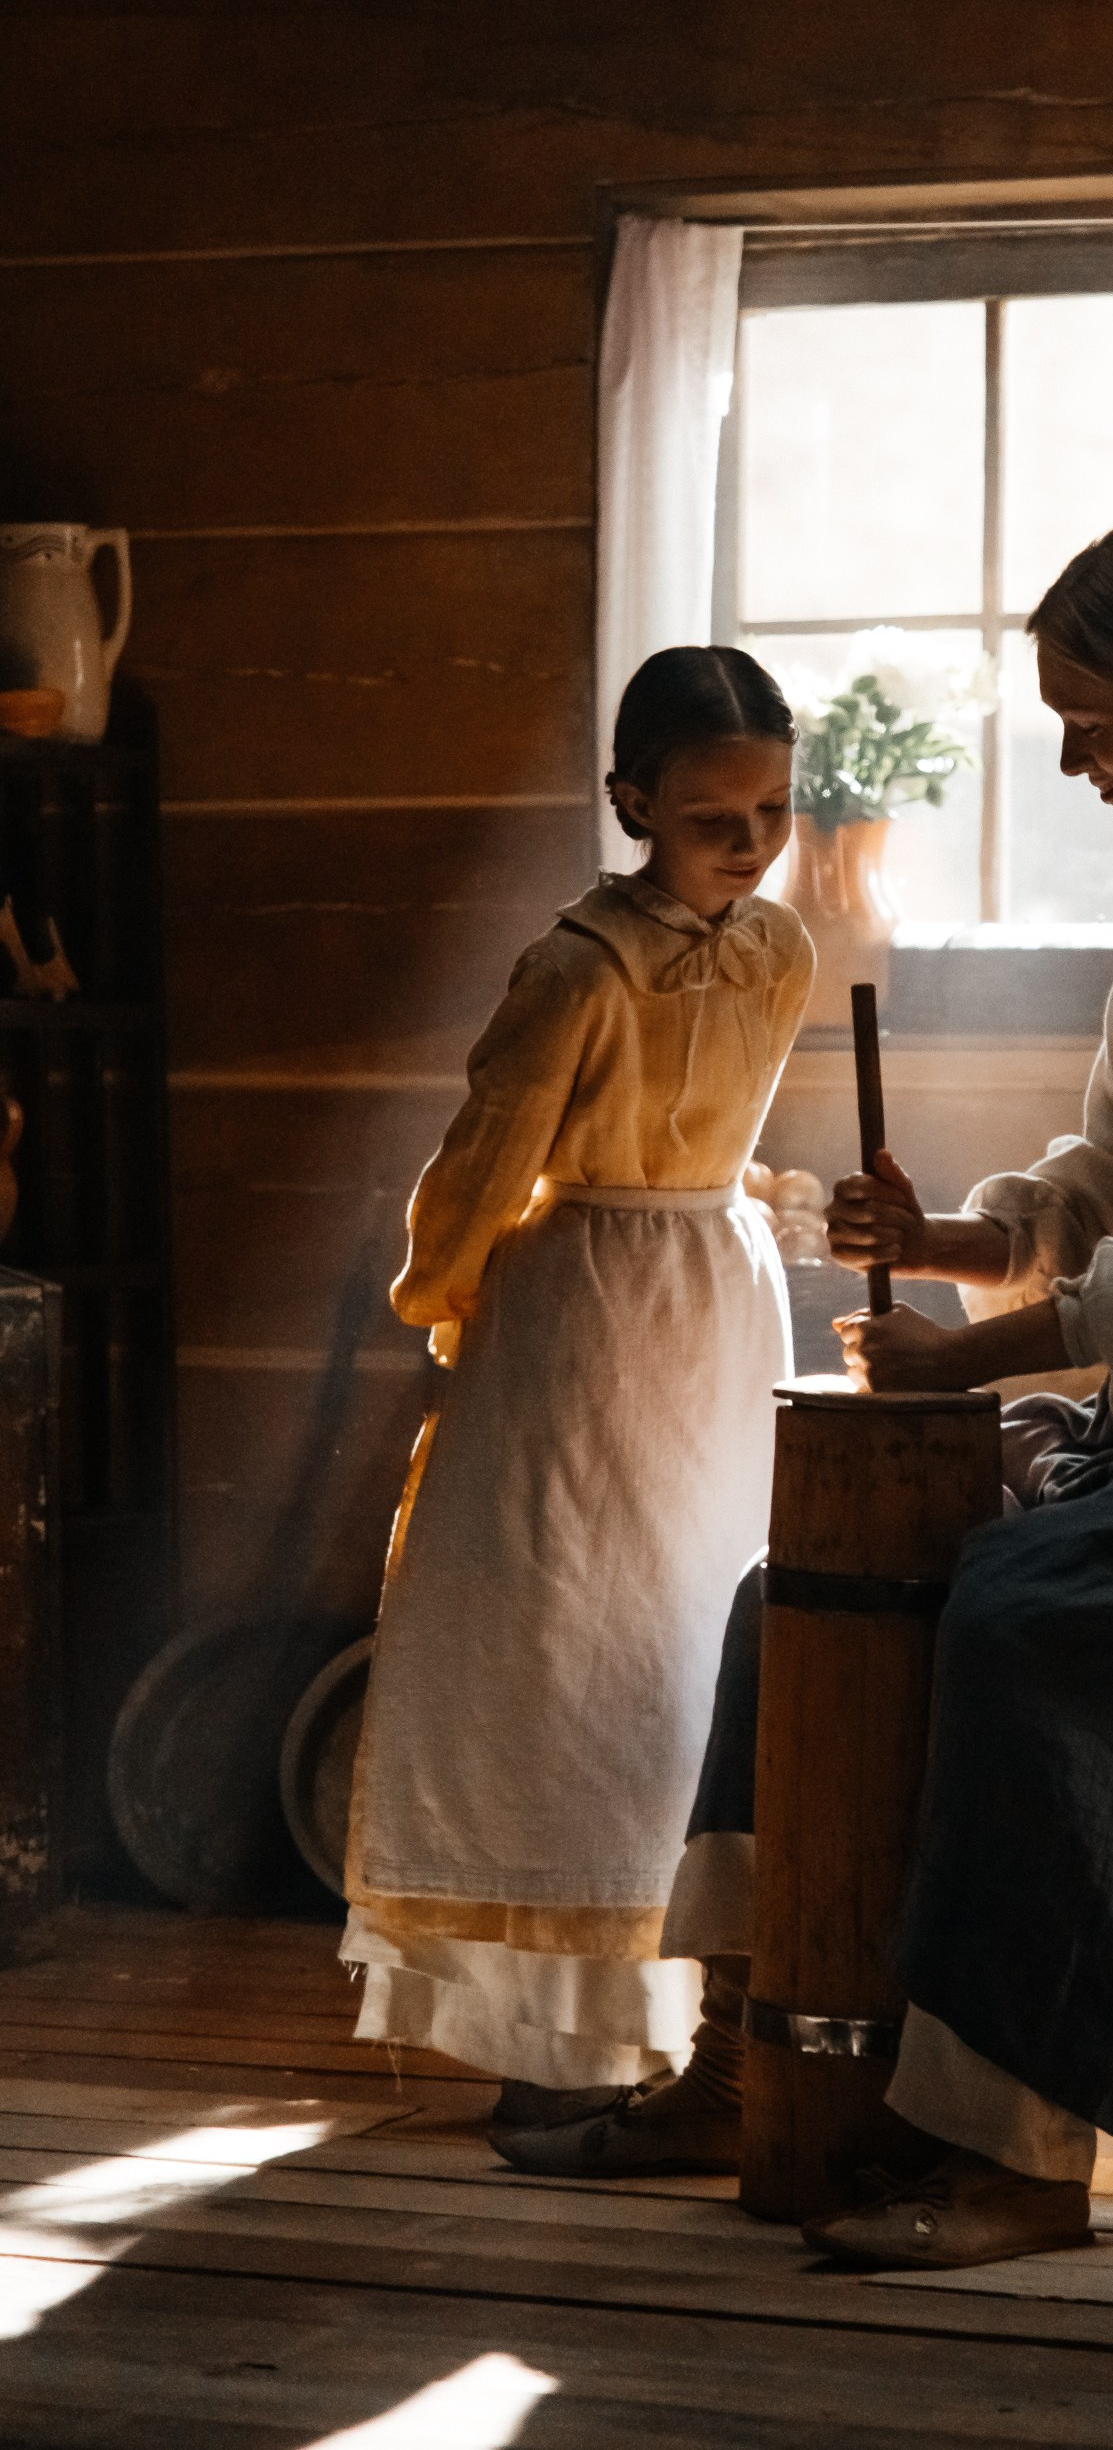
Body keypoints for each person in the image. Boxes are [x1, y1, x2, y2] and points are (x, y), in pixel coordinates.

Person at [503, 521, 1113, 2271]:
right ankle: (753, 2057)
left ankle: (1017, 2153)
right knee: (804, 1599)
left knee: (1030, 1622)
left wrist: (978, 1354)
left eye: (1095, 720)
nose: (1073, 760)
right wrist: (961, 1236)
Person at [340, 646, 814, 2131]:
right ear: (632, 803)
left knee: (689, 1630)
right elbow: (491, 1155)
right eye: (710, 818)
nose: (748, 845)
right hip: (587, 1312)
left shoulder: (781, 953)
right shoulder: (575, 968)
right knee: (563, 1638)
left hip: (718, 1305)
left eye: (773, 811)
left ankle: (684, 2001)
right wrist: (447, 1296)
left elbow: (726, 1125)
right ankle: (553, 2037)